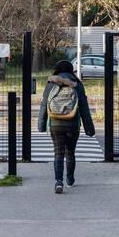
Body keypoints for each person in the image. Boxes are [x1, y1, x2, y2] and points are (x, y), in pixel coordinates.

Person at [38, 59, 95, 194]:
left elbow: (44, 105)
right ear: (71, 70)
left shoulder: (51, 84)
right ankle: (70, 179)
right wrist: (89, 129)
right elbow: (84, 108)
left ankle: (59, 181)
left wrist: (41, 125)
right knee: (70, 152)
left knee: (58, 153)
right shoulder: (77, 84)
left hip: (55, 123)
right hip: (72, 124)